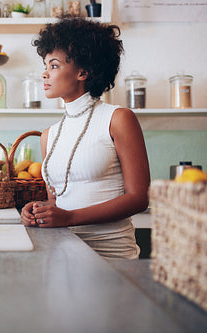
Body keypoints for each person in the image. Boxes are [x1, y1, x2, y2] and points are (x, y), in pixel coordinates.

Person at [20, 17, 150, 259]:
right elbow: (57, 203)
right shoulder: (49, 135)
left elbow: (139, 198)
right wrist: (39, 210)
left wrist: (70, 217)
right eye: (45, 65)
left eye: (54, 65)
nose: (44, 74)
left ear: (83, 72)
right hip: (65, 254)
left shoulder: (118, 119)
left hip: (112, 258)